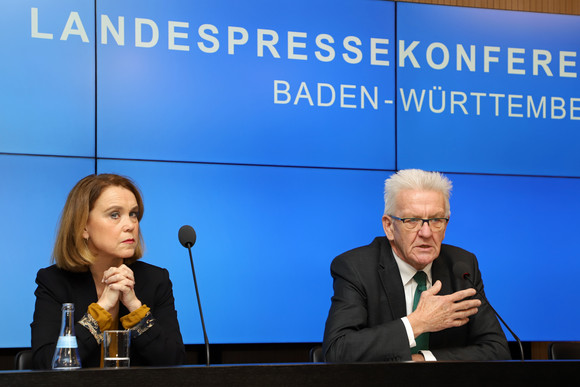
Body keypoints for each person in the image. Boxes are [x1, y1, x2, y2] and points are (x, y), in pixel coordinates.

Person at [322, 169, 511, 362]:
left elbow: (497, 352)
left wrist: (424, 360)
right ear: (389, 227)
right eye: (412, 220)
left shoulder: (462, 267)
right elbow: (338, 351)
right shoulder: (356, 268)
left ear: (445, 226)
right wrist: (417, 323)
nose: (426, 233)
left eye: (436, 220)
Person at [31, 174, 185, 368]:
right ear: (83, 227)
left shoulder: (155, 280)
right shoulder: (54, 281)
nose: (130, 225)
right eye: (114, 215)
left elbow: (175, 363)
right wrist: (100, 311)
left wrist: (135, 308)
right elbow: (45, 364)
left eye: (133, 214)